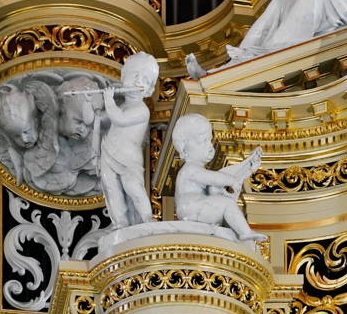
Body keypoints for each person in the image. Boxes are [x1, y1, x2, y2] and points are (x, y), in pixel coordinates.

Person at [172, 113, 265, 242]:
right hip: (191, 207)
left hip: (195, 207)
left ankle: (242, 233)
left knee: (224, 202)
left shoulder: (199, 171)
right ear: (183, 147)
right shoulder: (190, 169)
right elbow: (216, 178)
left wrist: (246, 168)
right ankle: (244, 232)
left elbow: (217, 184)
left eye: (209, 140)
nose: (209, 146)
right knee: (227, 204)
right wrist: (231, 180)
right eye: (202, 141)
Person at [99, 52, 159, 229]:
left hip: (129, 159)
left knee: (133, 187)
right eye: (134, 75)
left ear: (149, 90)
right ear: (124, 77)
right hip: (109, 151)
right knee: (111, 188)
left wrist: (108, 101)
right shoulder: (123, 105)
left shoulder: (142, 110)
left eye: (144, 79)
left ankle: (147, 217)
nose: (137, 81)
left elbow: (120, 119)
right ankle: (121, 221)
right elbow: (107, 120)